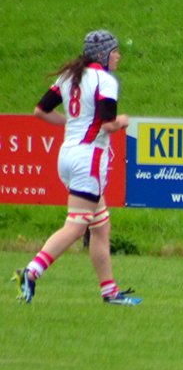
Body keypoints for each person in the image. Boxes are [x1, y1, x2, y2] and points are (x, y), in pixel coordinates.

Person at [15, 30, 141, 306]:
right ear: (103, 55)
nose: (118, 56)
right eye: (115, 51)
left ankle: (110, 291)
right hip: (88, 158)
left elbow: (40, 111)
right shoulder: (105, 80)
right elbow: (108, 125)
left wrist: (72, 124)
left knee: (101, 226)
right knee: (75, 226)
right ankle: (31, 272)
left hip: (67, 156)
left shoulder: (69, 76)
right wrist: (122, 121)